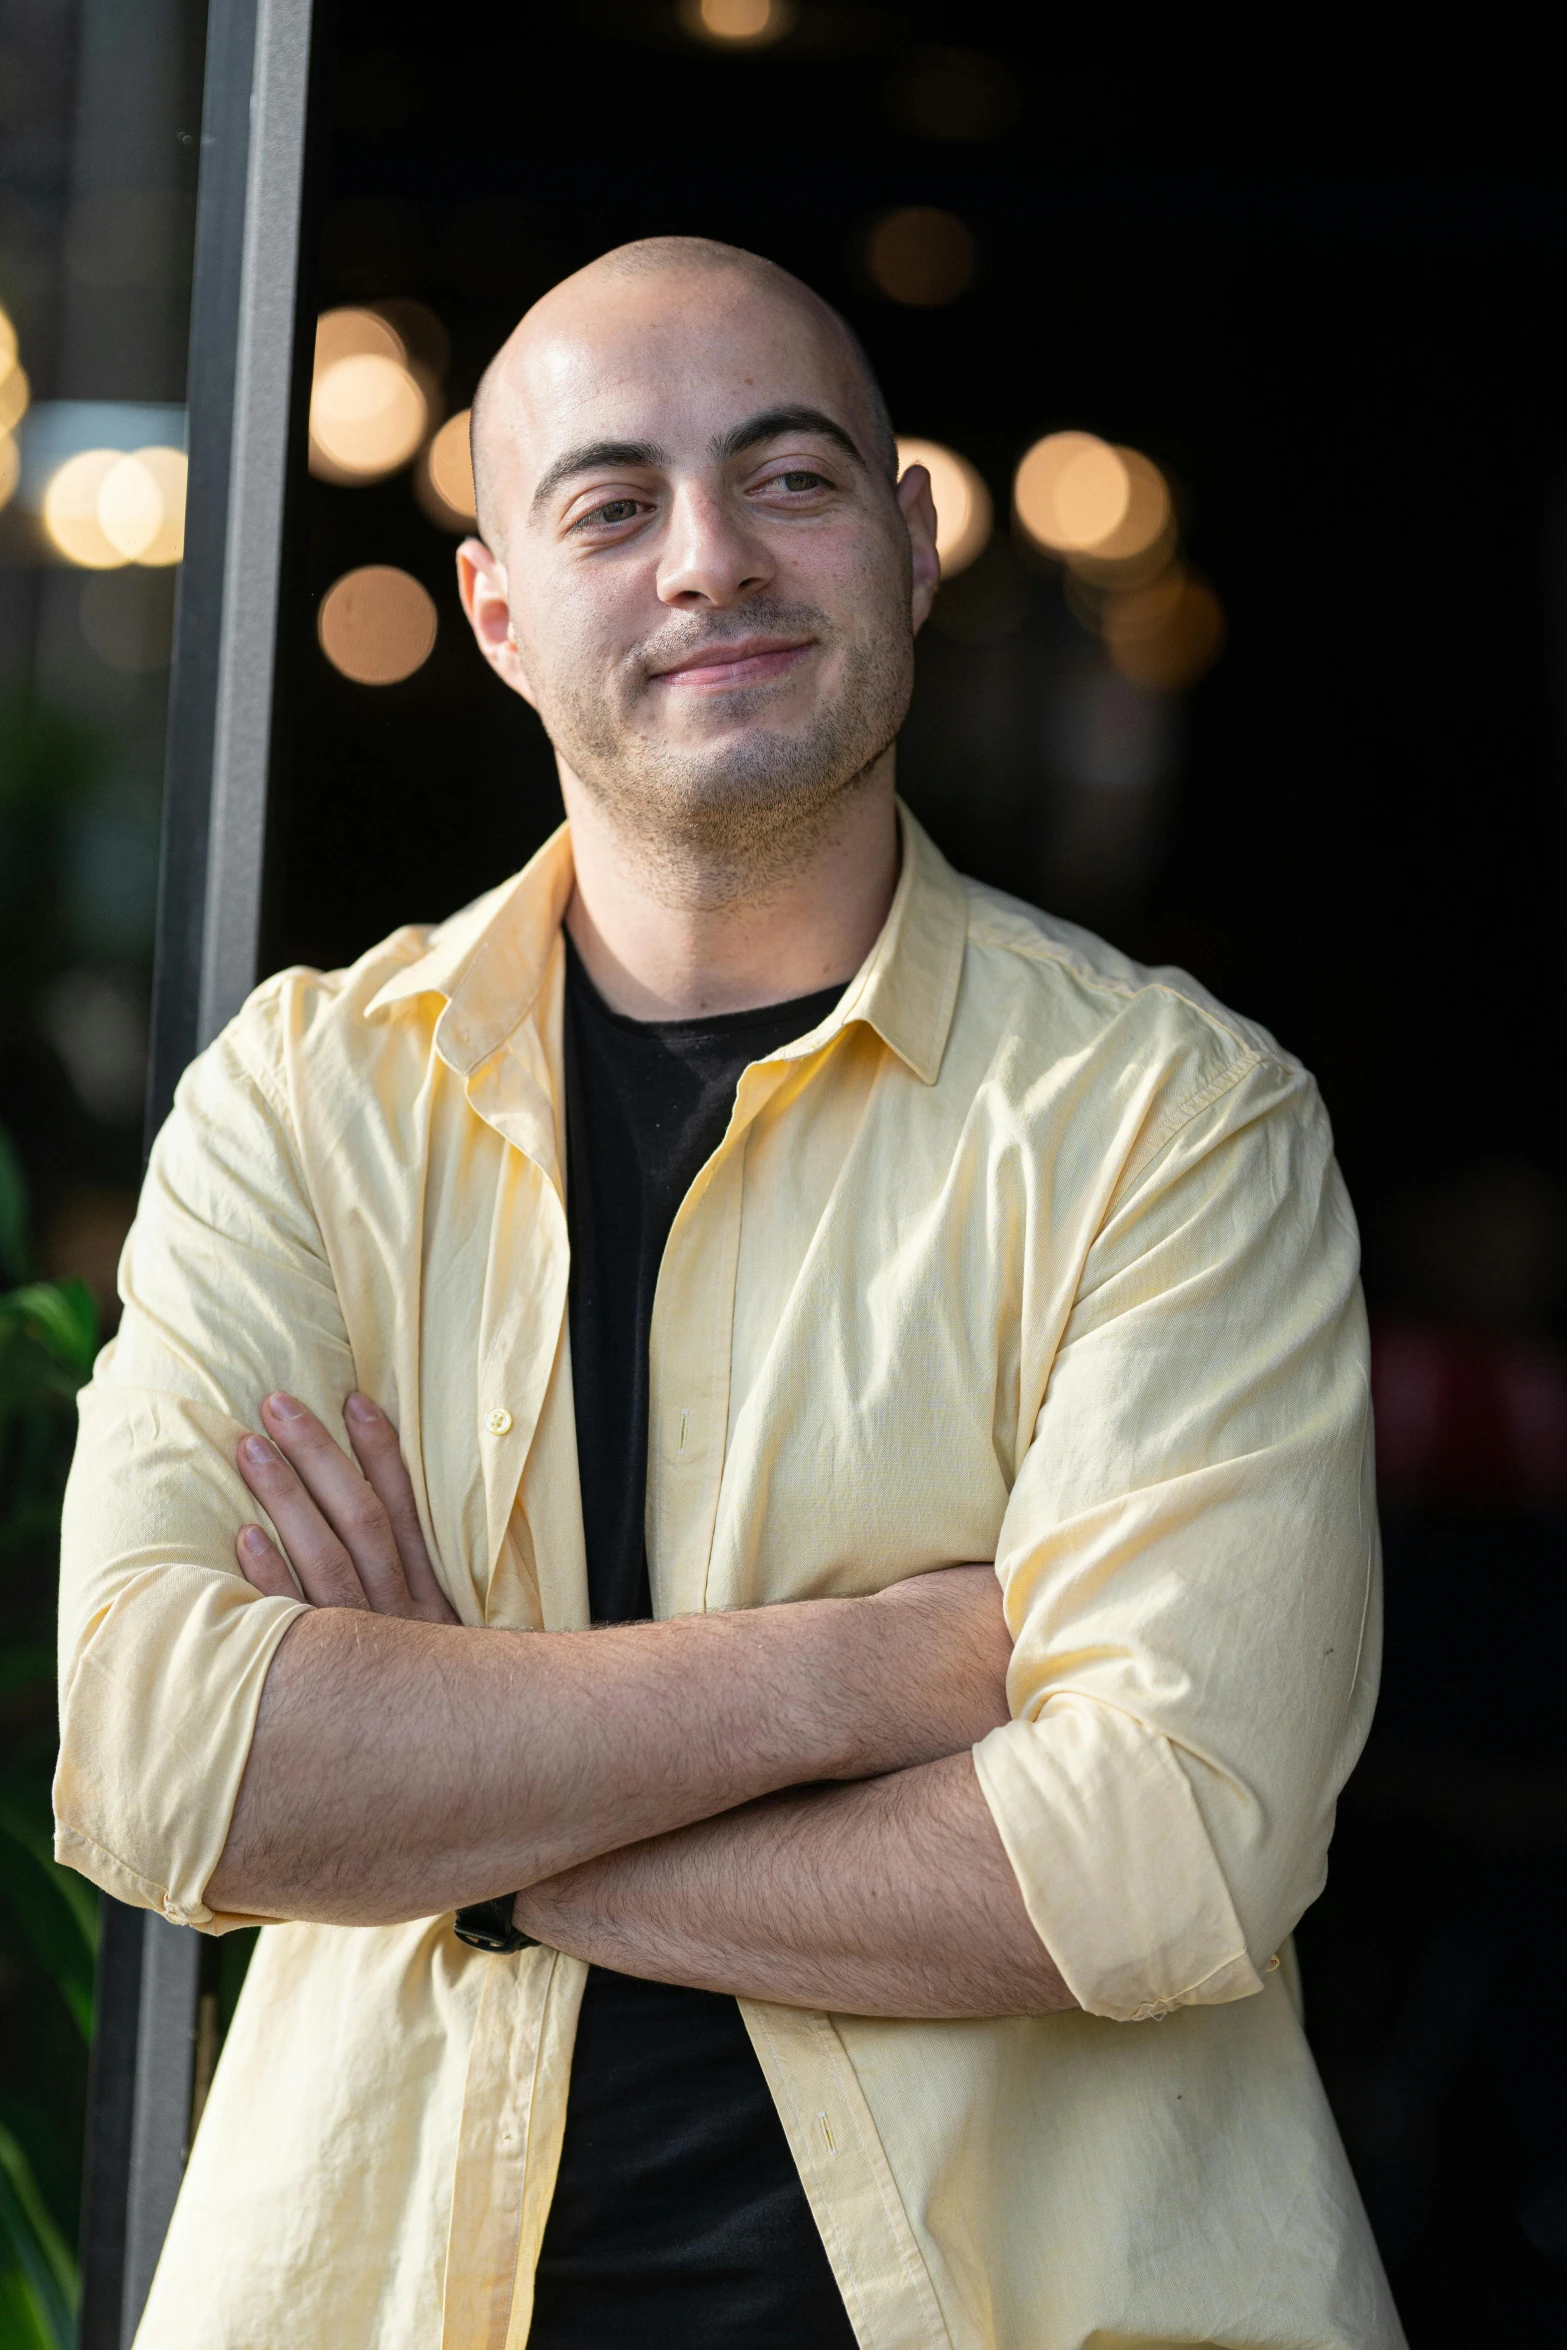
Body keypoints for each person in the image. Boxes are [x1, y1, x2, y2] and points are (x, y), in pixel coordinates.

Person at [55, 238, 1403, 2350]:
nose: (711, 560)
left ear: (913, 537)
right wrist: (878, 1672)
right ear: (499, 611)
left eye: (790, 480)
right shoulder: (309, 1106)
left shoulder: (1171, 1120)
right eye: (611, 503)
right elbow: (166, 1760)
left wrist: (470, 1819)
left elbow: (1165, 1843)